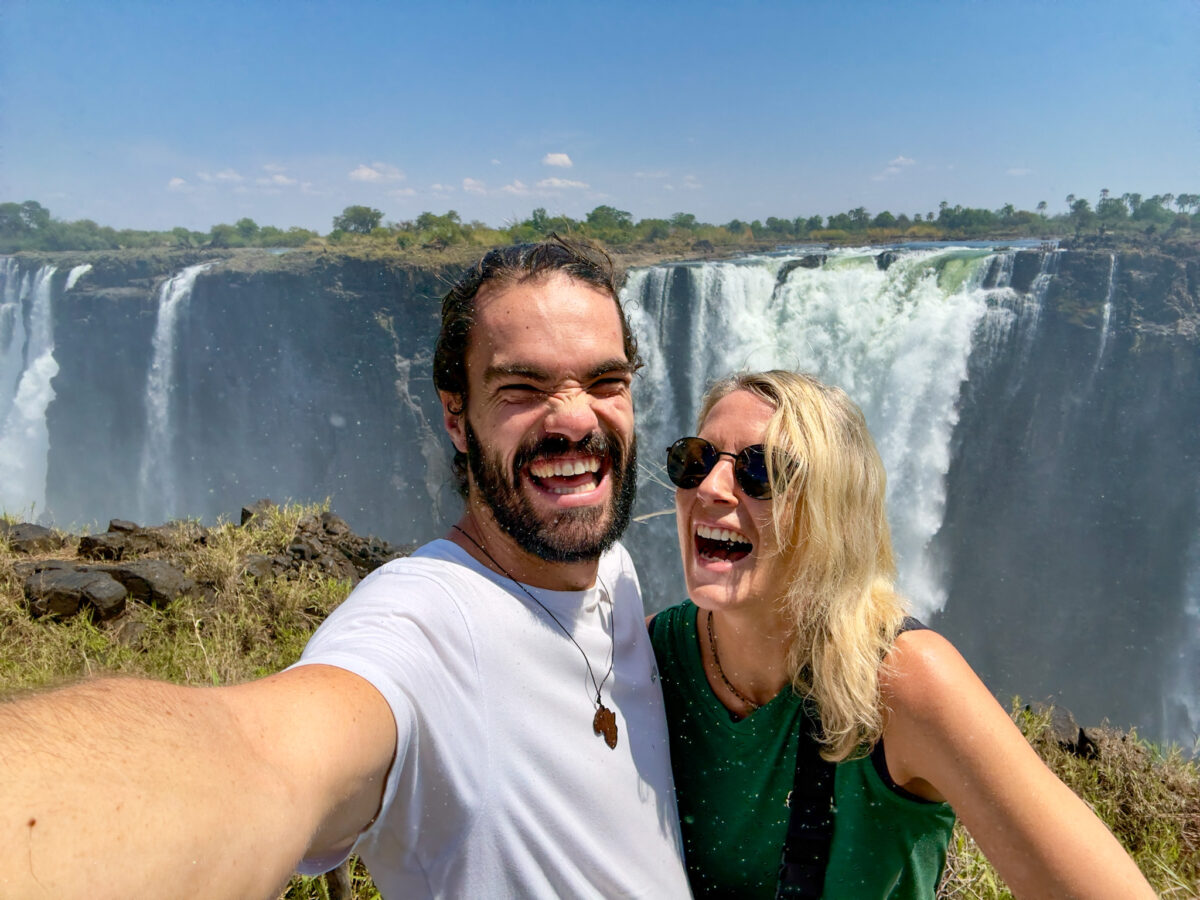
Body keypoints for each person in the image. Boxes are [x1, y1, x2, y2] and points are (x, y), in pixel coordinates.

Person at [0, 237, 691, 899]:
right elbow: (259, 757)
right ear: (456, 417)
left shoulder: (614, 574)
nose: (575, 419)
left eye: (605, 380)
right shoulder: (424, 625)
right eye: (521, 387)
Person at [649, 370, 1155, 899]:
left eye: (763, 472)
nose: (709, 488)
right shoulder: (647, 661)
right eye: (697, 459)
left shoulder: (905, 684)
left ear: (835, 510)